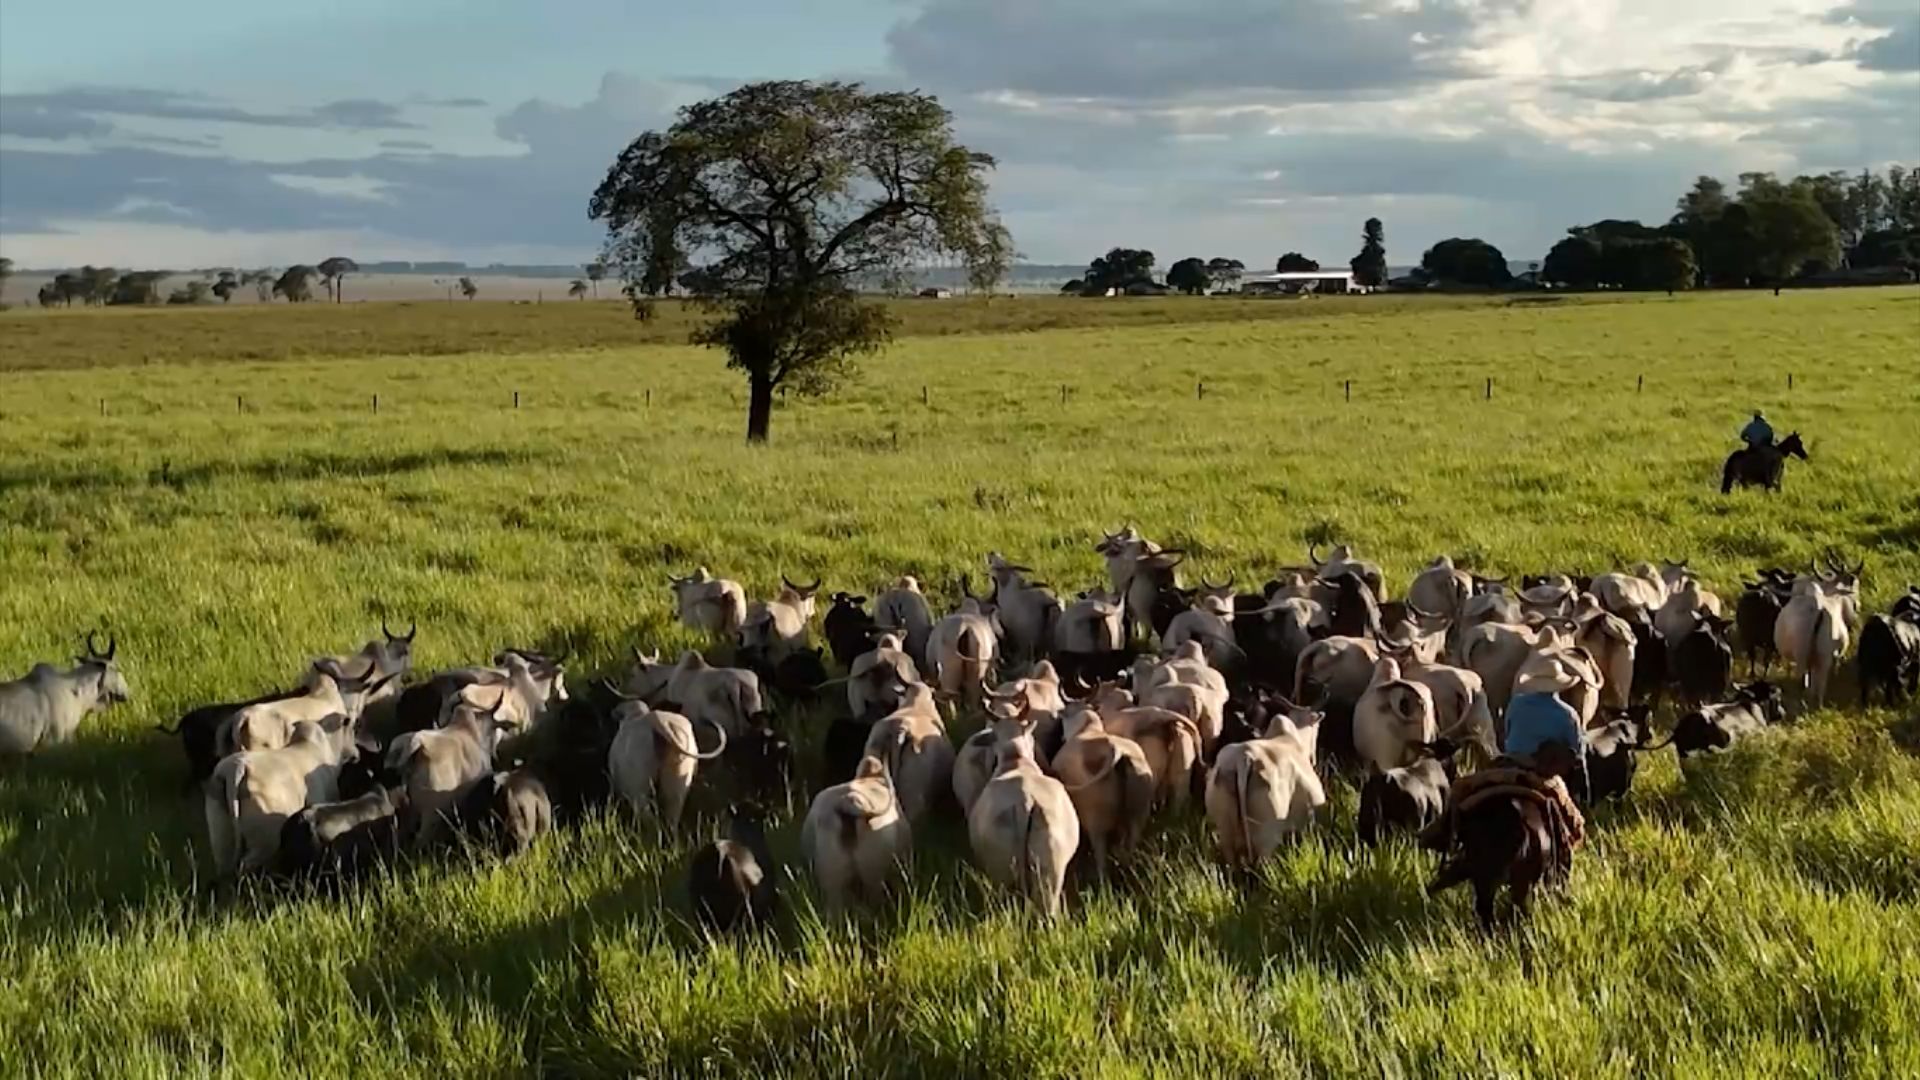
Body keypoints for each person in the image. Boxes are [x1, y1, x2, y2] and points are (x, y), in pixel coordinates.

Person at [1503, 666, 1589, 802]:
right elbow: (1577, 752)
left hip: (1510, 762)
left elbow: (1506, 732)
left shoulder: (1516, 703)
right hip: (1543, 769)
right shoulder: (1567, 714)